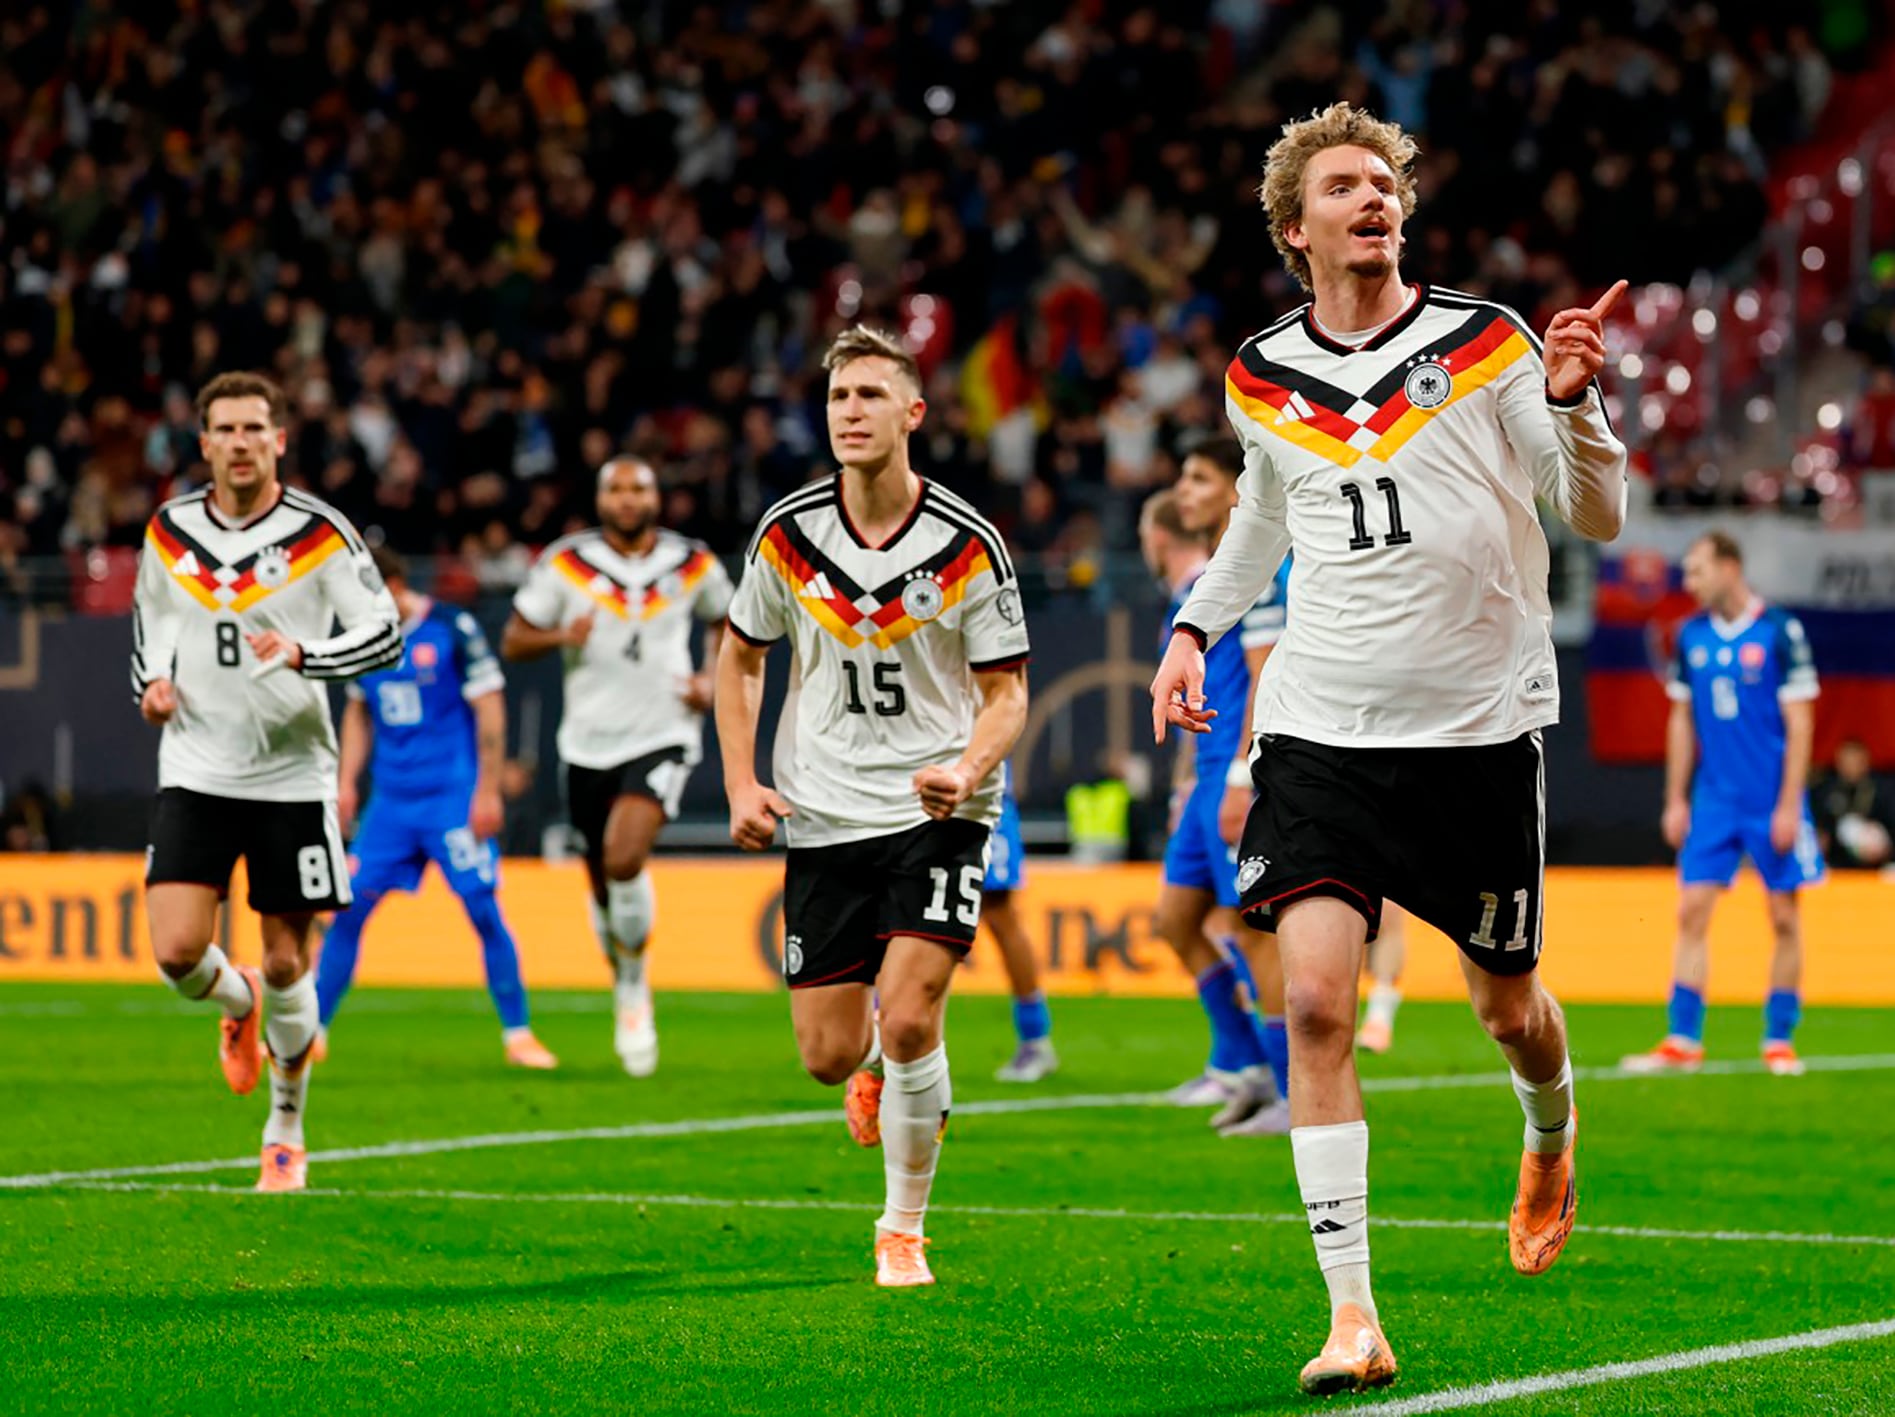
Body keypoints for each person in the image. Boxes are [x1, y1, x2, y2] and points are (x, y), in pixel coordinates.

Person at [1149, 103, 1626, 1395]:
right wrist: (1193, 626)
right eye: (1343, 187)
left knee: (1503, 1008)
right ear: (1291, 225)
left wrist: (1578, 410)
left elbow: (1592, 512)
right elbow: (1262, 514)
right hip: (1317, 724)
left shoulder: (1483, 342)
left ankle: (1547, 1131)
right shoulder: (1257, 373)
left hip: (1475, 729)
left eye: (1384, 184)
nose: (1372, 201)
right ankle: (1350, 1316)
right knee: (1311, 1004)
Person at [717, 325, 1030, 1288]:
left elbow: (1009, 693)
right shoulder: (787, 534)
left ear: (912, 413)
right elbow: (739, 658)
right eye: (838, 397)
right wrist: (739, 780)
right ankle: (877, 1079)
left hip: (939, 809)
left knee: (906, 1018)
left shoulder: (967, 544)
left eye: (868, 395)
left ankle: (902, 1226)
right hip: (820, 811)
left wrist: (967, 766)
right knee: (827, 1052)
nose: (849, 411)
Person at [134, 370, 403, 1194]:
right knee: (178, 953)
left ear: (279, 439)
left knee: (290, 963)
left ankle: (285, 1126)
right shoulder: (170, 531)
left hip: (291, 773)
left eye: (256, 428)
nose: (241, 442)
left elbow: (382, 633)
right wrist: (152, 684)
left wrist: (305, 655)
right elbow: (153, 624)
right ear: (204, 441)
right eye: (226, 429)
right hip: (197, 765)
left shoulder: (320, 534)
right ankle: (235, 999)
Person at [501, 459, 731, 1077]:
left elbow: (730, 623)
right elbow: (515, 640)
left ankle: (634, 990)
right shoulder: (566, 562)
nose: (628, 499)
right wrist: (560, 638)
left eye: (639, 488)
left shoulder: (692, 563)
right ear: (601, 499)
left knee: (626, 855)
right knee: (602, 881)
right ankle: (625, 970)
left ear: (658, 497)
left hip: (663, 733)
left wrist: (712, 678)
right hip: (585, 742)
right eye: (617, 490)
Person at [312, 546, 556, 1070]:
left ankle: (518, 1035)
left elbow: (489, 705)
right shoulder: (364, 637)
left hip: (451, 797)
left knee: (483, 910)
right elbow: (358, 712)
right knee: (348, 912)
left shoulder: (451, 628)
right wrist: (345, 782)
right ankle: (314, 1031)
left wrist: (487, 789)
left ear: (396, 586)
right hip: (391, 805)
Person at [1623, 532, 1823, 1077]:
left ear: (1730, 567)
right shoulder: (1691, 637)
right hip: (1714, 799)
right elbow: (1682, 720)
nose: (1689, 583)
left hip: (1769, 799)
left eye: (1697, 571)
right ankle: (1683, 1037)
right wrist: (1675, 799)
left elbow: (1800, 722)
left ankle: (1779, 1038)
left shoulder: (1779, 631)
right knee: (1690, 911)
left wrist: (1788, 805)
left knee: (1783, 916)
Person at [1158, 445, 1294, 1137]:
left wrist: (1243, 774)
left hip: (1240, 771)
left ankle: (1290, 1091)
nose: (1184, 489)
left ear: (1237, 493)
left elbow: (1264, 672)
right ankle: (1240, 1062)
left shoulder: (1259, 569)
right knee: (1175, 920)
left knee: (1254, 932)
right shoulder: (1204, 582)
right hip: (1206, 775)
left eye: (1199, 477)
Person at [985, 762, 1057, 1082]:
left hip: (981, 795)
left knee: (1000, 915)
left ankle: (1035, 1038)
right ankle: (885, 1034)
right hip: (912, 794)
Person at [1812, 737, 1893, 870]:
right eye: (1845, 762)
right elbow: (1819, 829)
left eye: (1855, 761)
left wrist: (1884, 846)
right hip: (1837, 866)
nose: (1850, 767)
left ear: (1866, 762)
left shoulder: (1883, 791)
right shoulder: (1825, 790)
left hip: (1877, 867)